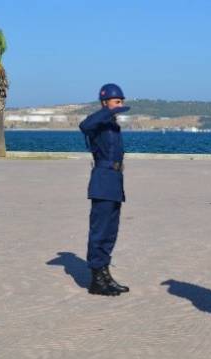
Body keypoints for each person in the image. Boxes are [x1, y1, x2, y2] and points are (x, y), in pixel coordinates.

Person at [79, 84, 131, 296]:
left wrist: (112, 113)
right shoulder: (97, 123)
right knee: (100, 231)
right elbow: (84, 125)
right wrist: (107, 111)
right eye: (116, 101)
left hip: (115, 181)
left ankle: (105, 274)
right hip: (102, 180)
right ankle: (96, 279)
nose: (120, 105)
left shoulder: (111, 125)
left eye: (121, 101)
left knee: (110, 231)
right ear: (105, 102)